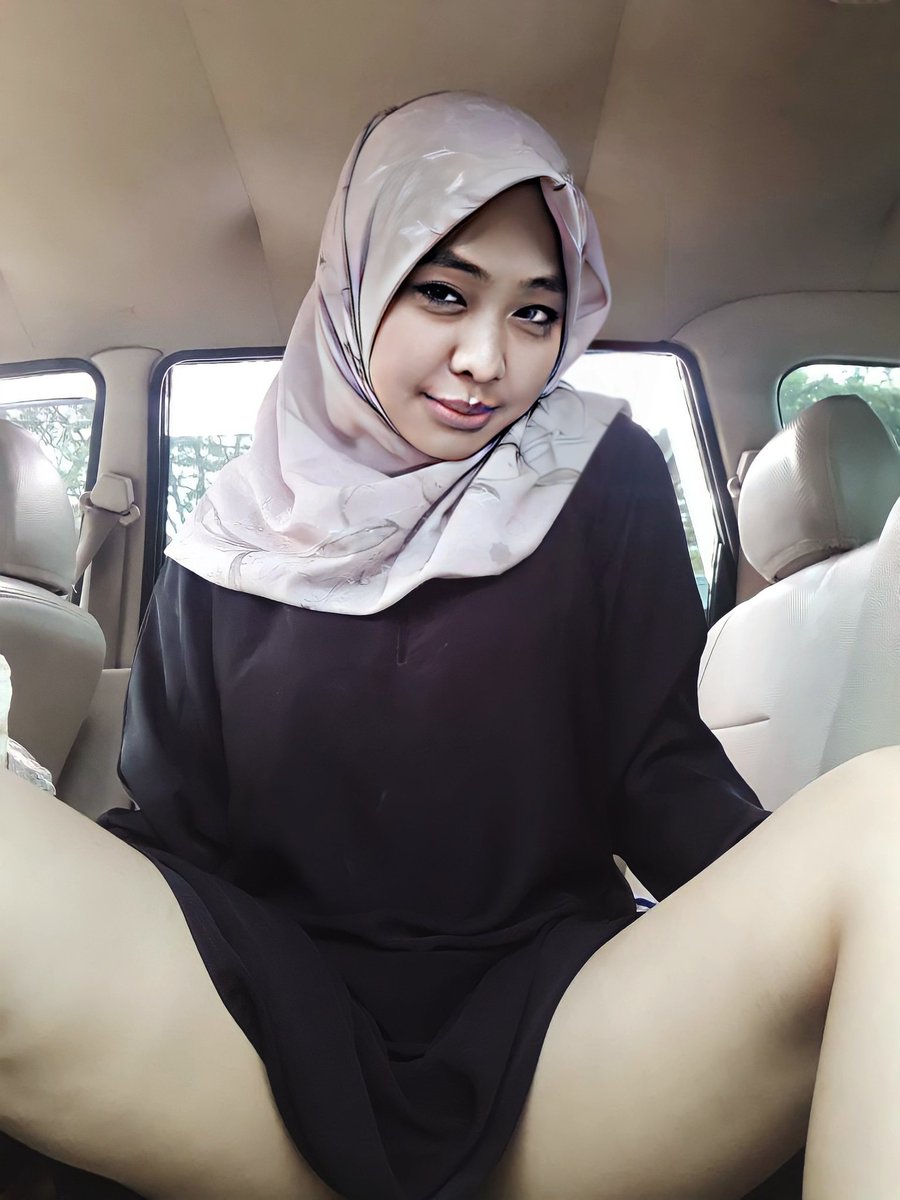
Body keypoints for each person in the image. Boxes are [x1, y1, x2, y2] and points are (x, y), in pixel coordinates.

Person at [0, 90, 898, 1200]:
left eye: (535, 313)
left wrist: (784, 924)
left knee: (889, 817)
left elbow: (658, 775)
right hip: (259, 1033)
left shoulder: (601, 475)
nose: (486, 358)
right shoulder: (229, 534)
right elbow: (182, 835)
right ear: (357, 281)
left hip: (555, 1029)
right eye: (443, 292)